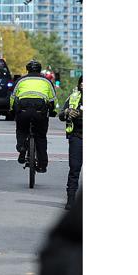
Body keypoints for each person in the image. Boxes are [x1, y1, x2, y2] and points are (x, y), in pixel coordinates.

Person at [10, 59, 58, 173]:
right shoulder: (46, 81)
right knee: (41, 136)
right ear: (40, 70)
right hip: (40, 110)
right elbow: (53, 99)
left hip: (23, 108)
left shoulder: (20, 80)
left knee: (21, 129)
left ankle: (21, 146)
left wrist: (12, 109)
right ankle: (42, 164)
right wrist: (53, 110)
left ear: (27, 70)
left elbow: (13, 97)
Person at [58, 75, 83, 208]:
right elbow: (61, 116)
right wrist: (67, 111)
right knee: (74, 168)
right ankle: (71, 199)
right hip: (77, 136)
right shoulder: (74, 97)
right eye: (82, 82)